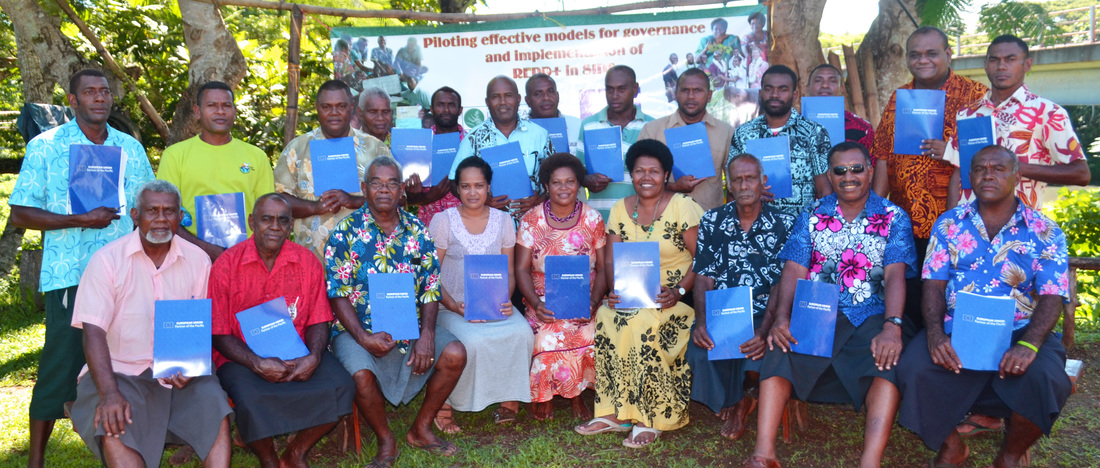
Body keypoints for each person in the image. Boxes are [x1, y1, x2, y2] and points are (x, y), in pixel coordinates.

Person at [8, 68, 155, 468]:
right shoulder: (46, 146)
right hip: (71, 273)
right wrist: (80, 219)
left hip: (126, 272)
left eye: (104, 92)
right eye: (89, 92)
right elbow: (20, 212)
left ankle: (125, 444)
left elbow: (145, 205)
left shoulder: (130, 148)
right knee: (61, 363)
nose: (99, 98)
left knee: (124, 359)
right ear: (73, 101)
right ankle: (35, 459)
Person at [896, 145, 1073, 468]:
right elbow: (933, 285)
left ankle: (1009, 455)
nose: (988, 174)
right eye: (979, 168)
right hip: (957, 327)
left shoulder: (1044, 230)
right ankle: (951, 447)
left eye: (998, 168)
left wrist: (1030, 344)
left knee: (1046, 378)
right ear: (969, 177)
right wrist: (935, 335)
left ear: (1017, 176)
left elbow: (1052, 296)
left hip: (1020, 329)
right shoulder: (949, 224)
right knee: (912, 367)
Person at [744, 142, 917, 468]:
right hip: (817, 311)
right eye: (839, 170)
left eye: (856, 169)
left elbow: (896, 276)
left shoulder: (894, 217)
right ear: (829, 175)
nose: (848, 176)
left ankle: (870, 461)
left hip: (873, 312)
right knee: (780, 348)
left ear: (869, 170)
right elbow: (793, 268)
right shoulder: (812, 213)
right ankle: (763, 453)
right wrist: (782, 317)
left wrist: (892, 326)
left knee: (886, 360)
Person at [69, 180, 233, 468]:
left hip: (178, 373)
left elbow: (198, 324)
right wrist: (109, 393)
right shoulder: (107, 261)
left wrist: (192, 367)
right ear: (135, 215)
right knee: (114, 426)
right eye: (151, 211)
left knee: (214, 407)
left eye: (169, 211)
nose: (160, 219)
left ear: (180, 216)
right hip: (120, 372)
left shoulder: (198, 260)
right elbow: (92, 333)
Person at [327, 156, 467, 466]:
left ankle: (421, 428)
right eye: (376, 183)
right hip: (358, 328)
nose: (384, 190)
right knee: (361, 375)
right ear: (364, 188)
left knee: (455, 352)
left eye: (392, 183)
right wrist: (363, 338)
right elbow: (337, 294)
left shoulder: (417, 230)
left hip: (411, 325)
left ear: (402, 189)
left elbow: (430, 286)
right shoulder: (345, 232)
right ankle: (386, 439)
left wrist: (427, 334)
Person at [208, 193, 355, 468]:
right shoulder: (226, 265)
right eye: (267, 219)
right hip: (242, 355)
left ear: (290, 227)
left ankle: (296, 453)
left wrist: (313, 357)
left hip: (297, 349)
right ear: (252, 222)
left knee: (342, 386)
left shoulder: (307, 262)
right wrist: (256, 362)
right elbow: (218, 332)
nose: (275, 226)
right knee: (250, 399)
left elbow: (319, 319)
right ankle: (268, 458)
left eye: (282, 220)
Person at [574, 139, 703, 448]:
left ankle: (652, 416)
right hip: (631, 295)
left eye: (654, 171)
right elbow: (610, 259)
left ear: (667, 174)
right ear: (630, 174)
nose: (646, 177)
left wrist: (679, 290)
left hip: (673, 299)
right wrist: (616, 291)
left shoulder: (683, 206)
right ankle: (616, 413)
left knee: (643, 321)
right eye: (639, 171)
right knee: (607, 314)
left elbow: (703, 259)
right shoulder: (621, 207)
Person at [871, 26, 987, 336]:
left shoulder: (976, 96)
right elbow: (882, 154)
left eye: (931, 53)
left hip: (953, 222)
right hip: (904, 219)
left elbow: (985, 157)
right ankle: (906, 364)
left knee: (946, 296)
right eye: (915, 54)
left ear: (949, 54)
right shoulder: (900, 97)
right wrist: (876, 213)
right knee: (907, 298)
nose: (923, 60)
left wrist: (950, 151)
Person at [687, 153, 795, 440]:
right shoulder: (712, 220)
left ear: (763, 182)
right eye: (737, 179)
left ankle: (743, 399)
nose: (744, 184)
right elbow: (704, 274)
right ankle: (736, 397)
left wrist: (764, 329)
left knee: (763, 351)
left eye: (750, 178)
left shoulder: (784, 222)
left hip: (766, 310)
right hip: (724, 310)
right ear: (729, 186)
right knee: (700, 349)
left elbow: (781, 283)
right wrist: (701, 320)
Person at [427, 157, 534, 433]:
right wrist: (455, 305)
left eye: (479, 185)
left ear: (488, 187)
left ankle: (508, 401)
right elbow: (430, 275)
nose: (472, 193)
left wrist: (503, 300)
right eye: (465, 186)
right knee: (472, 340)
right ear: (457, 189)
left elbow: (509, 272)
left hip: (492, 304)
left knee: (521, 333)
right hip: (450, 305)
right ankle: (446, 403)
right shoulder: (443, 221)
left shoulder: (503, 221)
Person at [945, 35, 1090, 209]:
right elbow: (958, 174)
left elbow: (1081, 174)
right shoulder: (967, 113)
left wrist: (1013, 167)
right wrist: (950, 224)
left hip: (1019, 226)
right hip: (968, 227)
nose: (1001, 66)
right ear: (985, 65)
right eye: (994, 60)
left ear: (1027, 64)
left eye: (1010, 59)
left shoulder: (1048, 113)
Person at [516, 153, 608, 421]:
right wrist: (536, 304)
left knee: (589, 333)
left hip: (585, 297)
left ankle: (577, 395)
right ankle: (545, 395)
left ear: (579, 184)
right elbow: (521, 269)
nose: (564, 187)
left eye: (570, 181)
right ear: (546, 186)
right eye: (557, 182)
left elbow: (602, 268)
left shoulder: (593, 219)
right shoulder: (531, 220)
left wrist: (592, 302)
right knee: (546, 336)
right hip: (543, 298)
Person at [273, 79, 391, 261]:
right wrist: (316, 207)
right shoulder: (297, 149)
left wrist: (353, 200)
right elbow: (279, 201)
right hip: (312, 262)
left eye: (341, 106)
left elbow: (397, 201)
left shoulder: (375, 149)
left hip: (367, 258)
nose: (334, 113)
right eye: (327, 107)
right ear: (317, 108)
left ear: (352, 107)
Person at [158, 80, 274, 261]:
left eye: (226, 105)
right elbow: (164, 213)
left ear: (234, 111)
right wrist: (205, 249)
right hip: (190, 256)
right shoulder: (175, 155)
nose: (220, 111)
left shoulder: (256, 156)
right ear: (197, 112)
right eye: (212, 105)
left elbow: (267, 213)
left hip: (246, 257)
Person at [730, 65, 832, 217]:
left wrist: (823, 227)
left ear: (795, 94)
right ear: (760, 93)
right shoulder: (743, 133)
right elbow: (732, 187)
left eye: (782, 89)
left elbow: (825, 189)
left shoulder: (814, 132)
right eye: (769, 89)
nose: (775, 95)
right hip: (754, 228)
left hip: (800, 228)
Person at [449, 76, 553, 220]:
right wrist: (483, 200)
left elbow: (557, 177)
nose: (503, 102)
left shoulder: (539, 134)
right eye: (496, 97)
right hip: (488, 226)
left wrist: (540, 200)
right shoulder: (473, 138)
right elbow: (454, 181)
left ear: (518, 99)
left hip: (534, 225)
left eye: (508, 96)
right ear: (487, 102)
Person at [639, 68, 736, 212]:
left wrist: (728, 221)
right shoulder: (652, 130)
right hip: (661, 223)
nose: (691, 96)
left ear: (709, 96)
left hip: (708, 222)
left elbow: (734, 183)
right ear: (676, 94)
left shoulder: (726, 132)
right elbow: (640, 180)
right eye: (685, 90)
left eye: (698, 90)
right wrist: (672, 187)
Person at [576, 65, 656, 221]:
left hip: (643, 220)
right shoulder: (589, 125)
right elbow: (578, 171)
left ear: (635, 89)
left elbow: (662, 175)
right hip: (600, 220)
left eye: (621, 89)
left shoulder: (652, 126)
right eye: (609, 89)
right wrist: (587, 180)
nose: (614, 95)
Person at [409, 86, 466, 226]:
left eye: (451, 105)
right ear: (432, 109)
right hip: (430, 227)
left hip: (468, 228)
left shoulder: (473, 143)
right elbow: (407, 198)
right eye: (440, 105)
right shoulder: (417, 145)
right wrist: (429, 196)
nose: (446, 110)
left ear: (460, 110)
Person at [807, 64, 875, 151]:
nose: (825, 85)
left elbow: (872, 162)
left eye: (832, 81)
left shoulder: (862, 128)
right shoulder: (791, 126)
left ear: (842, 89)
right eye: (818, 80)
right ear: (807, 88)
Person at [525, 73, 581, 155]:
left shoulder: (578, 126)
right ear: (528, 101)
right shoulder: (518, 131)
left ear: (558, 96)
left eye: (550, 91)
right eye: (538, 93)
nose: (546, 97)